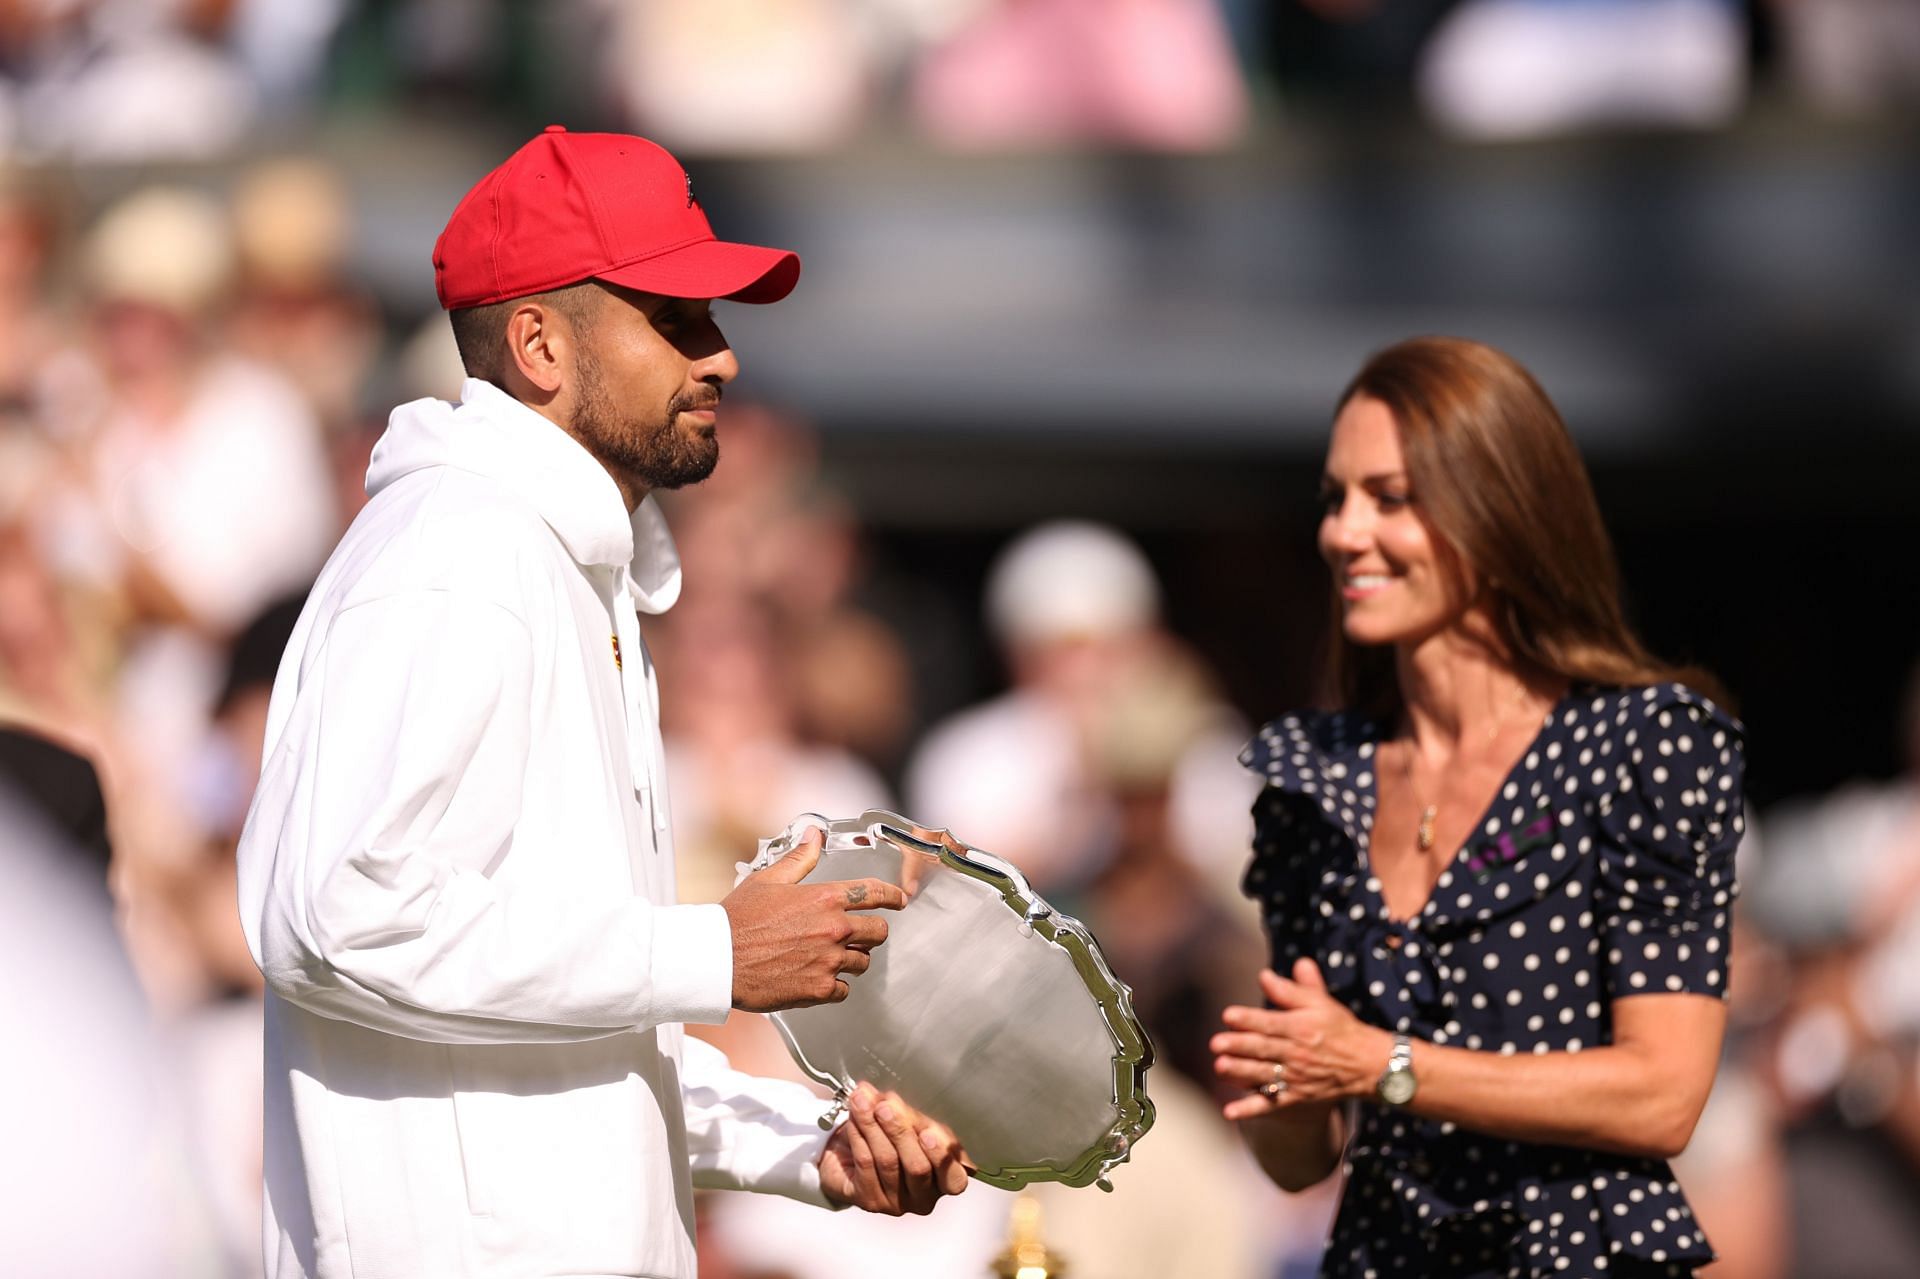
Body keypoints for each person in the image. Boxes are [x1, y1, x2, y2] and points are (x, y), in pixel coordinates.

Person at [235, 127, 967, 1279]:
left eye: (714, 320)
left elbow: (571, 1032)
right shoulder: (459, 555)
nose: (720, 357)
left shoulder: (557, 565)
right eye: (674, 319)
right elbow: (335, 917)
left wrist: (809, 1143)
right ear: (539, 345)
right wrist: (712, 949)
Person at [1211, 336, 1746, 1278]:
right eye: (1337, 498)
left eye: (1391, 497)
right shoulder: (1315, 781)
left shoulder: (1645, 745)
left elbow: (1663, 1093)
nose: (1344, 531)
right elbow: (1303, 1160)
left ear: (1498, 506)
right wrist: (1282, 1088)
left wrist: (1379, 1063)